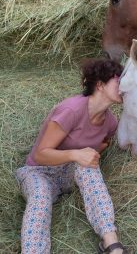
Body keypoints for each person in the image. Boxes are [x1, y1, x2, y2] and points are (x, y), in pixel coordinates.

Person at [15, 58, 128, 254]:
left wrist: (84, 157)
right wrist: (76, 154)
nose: (124, 86)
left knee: (88, 166)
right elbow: (40, 154)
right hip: (38, 172)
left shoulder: (111, 122)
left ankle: (111, 243)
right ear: (100, 84)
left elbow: (103, 143)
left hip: (68, 174)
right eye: (119, 81)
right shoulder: (71, 109)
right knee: (41, 196)